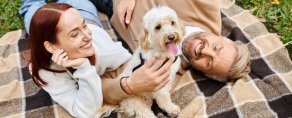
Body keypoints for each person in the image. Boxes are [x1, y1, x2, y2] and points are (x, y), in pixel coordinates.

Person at [23, 2, 174, 117]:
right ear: (51, 47)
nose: (87, 36)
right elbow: (85, 111)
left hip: (82, 11)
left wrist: (83, 67)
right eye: (75, 35)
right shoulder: (44, 71)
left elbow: (129, 65)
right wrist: (84, 69)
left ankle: (78, 25)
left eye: (84, 27)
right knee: (33, 8)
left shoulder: (105, 51)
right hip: (54, 28)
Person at [100, 0, 251, 82]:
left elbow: (111, 82)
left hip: (108, 7)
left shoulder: (165, 69)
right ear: (222, 37)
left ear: (204, 73)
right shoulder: (206, 4)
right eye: (217, 47)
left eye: (208, 62)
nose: (204, 51)